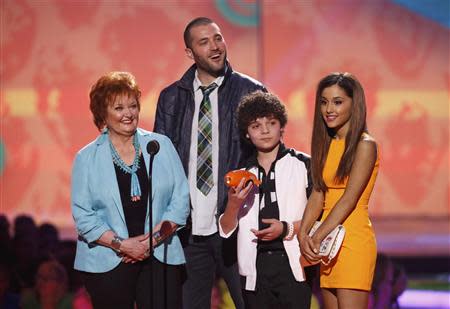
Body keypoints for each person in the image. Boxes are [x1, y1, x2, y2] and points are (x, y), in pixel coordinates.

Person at [153, 17, 266, 309]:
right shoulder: (171, 98)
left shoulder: (250, 92)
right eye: (204, 42)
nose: (215, 47)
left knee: (251, 303)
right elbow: (161, 163)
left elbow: (266, 155)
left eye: (218, 38)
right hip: (189, 230)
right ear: (190, 52)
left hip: (236, 224)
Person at [71, 71, 189, 308]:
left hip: (158, 256)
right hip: (108, 260)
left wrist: (150, 242)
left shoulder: (160, 146)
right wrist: (124, 245)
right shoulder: (86, 158)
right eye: (119, 108)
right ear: (103, 113)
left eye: (133, 106)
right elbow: (84, 216)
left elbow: (180, 202)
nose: (128, 114)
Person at [219, 91, 312, 309]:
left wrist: (286, 229)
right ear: (247, 134)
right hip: (255, 267)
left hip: (294, 264)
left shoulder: (303, 165)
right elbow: (225, 230)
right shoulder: (241, 173)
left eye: (271, 122)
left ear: (282, 126)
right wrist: (233, 205)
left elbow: (319, 218)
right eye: (255, 125)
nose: (265, 130)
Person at [299, 72, 379, 308]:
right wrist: (304, 234)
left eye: (337, 101)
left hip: (352, 242)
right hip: (328, 244)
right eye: (324, 102)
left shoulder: (365, 145)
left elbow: (348, 199)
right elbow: (318, 192)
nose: (328, 109)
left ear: (355, 104)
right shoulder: (327, 143)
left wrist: (316, 236)